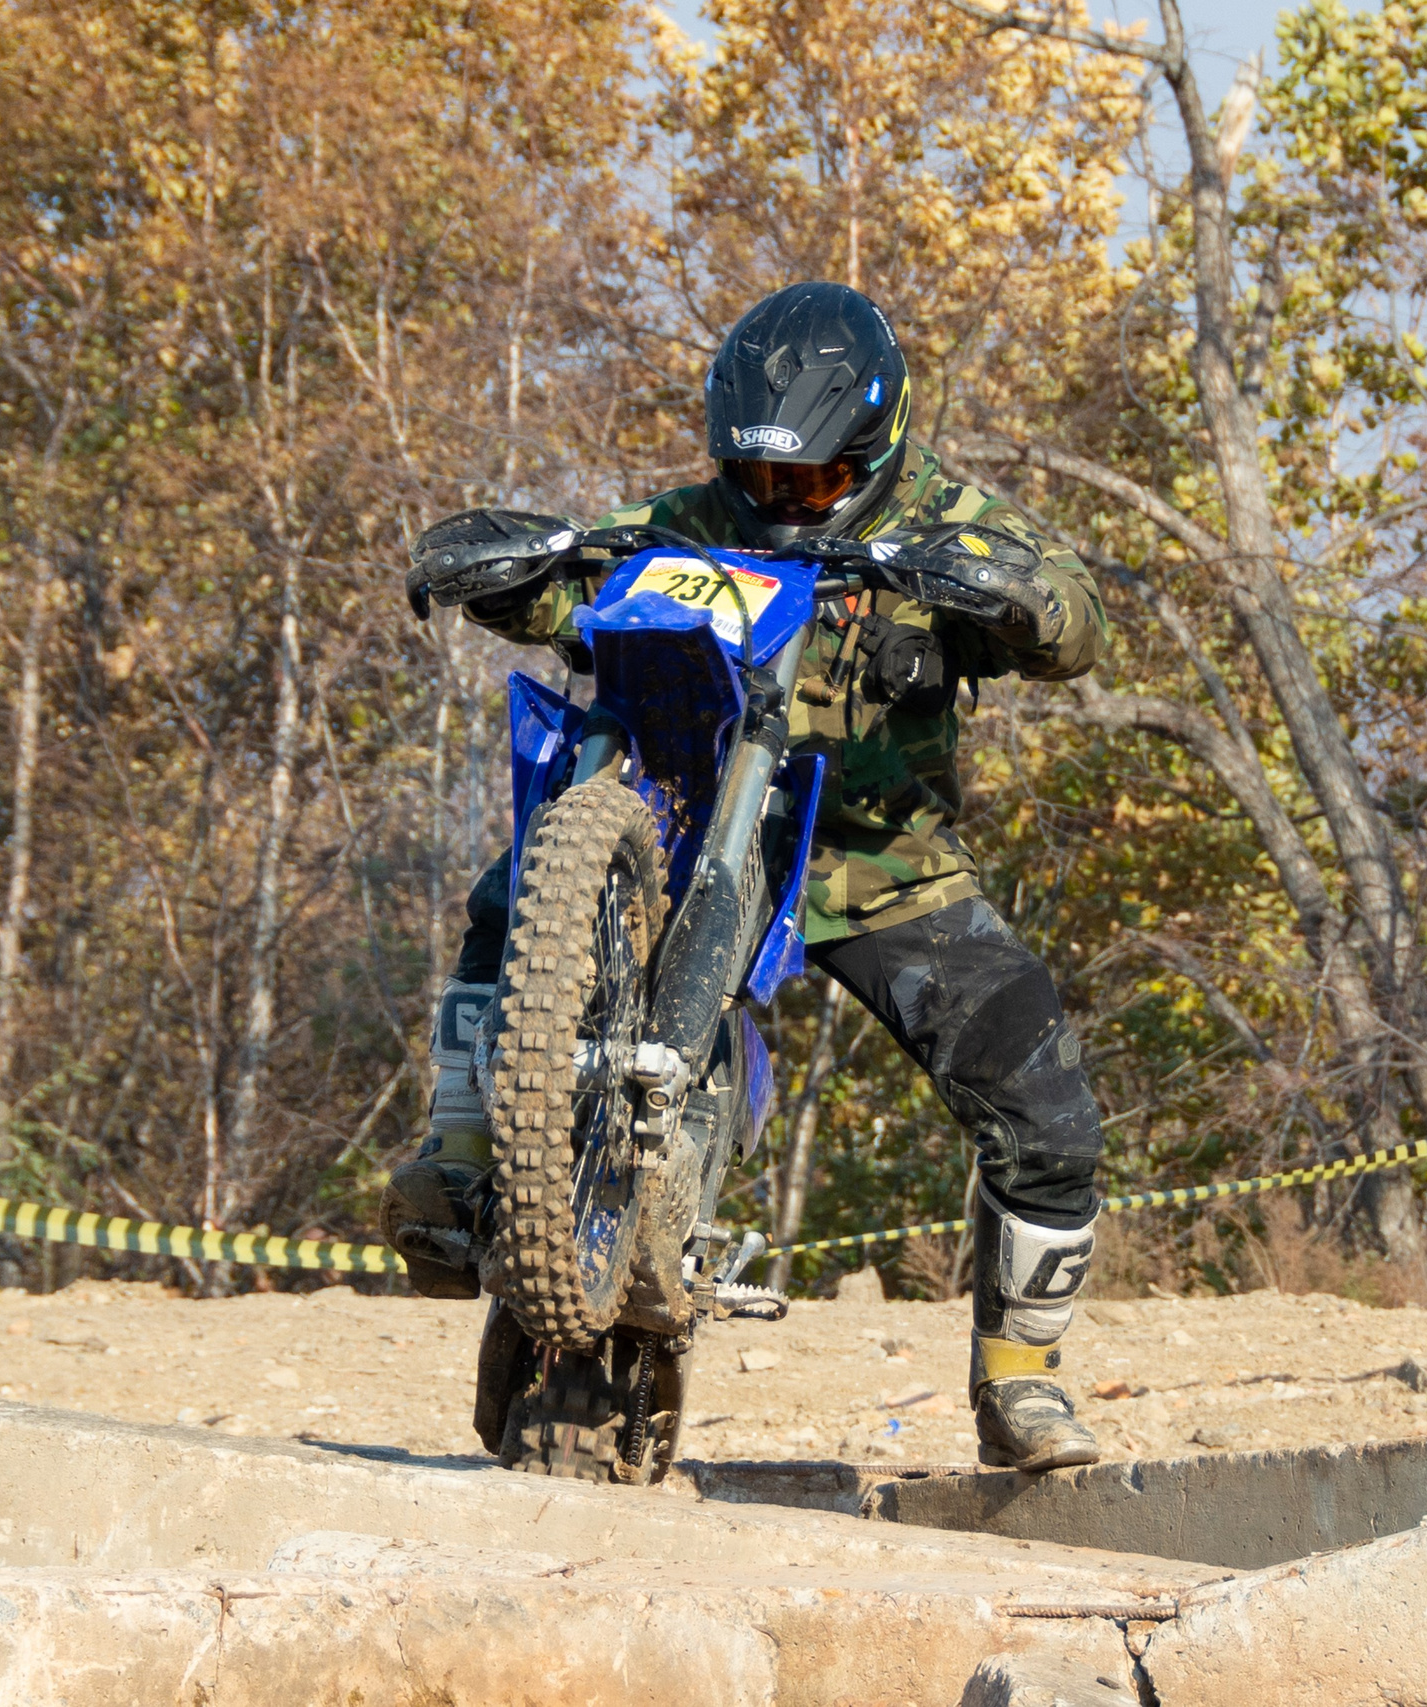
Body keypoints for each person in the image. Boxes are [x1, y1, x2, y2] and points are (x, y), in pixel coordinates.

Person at [386, 281, 1113, 1471]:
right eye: (759, 476)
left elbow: (1073, 614)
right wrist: (515, 576)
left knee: (1044, 1104)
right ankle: (461, 1160)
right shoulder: (687, 521)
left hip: (874, 858)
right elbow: (585, 583)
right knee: (510, 894)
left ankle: (1020, 1377)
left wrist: (1013, 598)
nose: (781, 500)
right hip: (692, 829)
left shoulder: (945, 517)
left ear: (875, 447)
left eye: (813, 482)